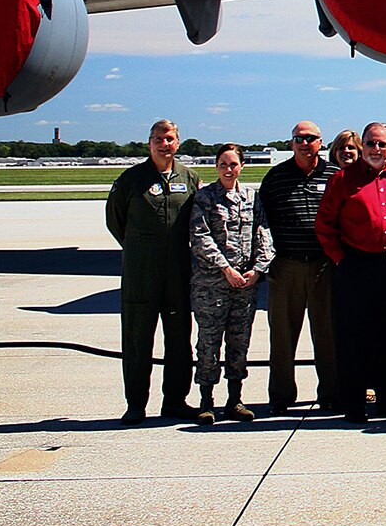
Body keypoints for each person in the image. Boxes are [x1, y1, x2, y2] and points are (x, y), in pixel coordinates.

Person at [316, 122, 386, 423]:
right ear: (363, 146)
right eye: (371, 144)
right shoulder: (343, 180)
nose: (376, 150)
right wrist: (341, 261)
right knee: (353, 337)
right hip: (356, 266)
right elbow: (324, 226)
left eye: (382, 145)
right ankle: (355, 404)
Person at [105, 119, 200, 424]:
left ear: (178, 142)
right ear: (149, 143)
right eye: (158, 138)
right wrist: (140, 247)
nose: (164, 143)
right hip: (141, 271)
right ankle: (136, 403)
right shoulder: (131, 179)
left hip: (177, 270)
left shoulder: (190, 178)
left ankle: (175, 400)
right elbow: (115, 220)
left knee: (179, 339)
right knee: (137, 339)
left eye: (169, 138)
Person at [258, 119, 340, 415]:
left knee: (327, 334)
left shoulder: (334, 175)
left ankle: (331, 394)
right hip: (286, 265)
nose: (304, 143)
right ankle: (281, 395)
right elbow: (261, 221)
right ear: (291, 143)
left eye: (310, 138)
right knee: (282, 334)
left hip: (324, 265)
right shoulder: (276, 177)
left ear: (321, 142)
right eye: (298, 139)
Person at [188, 143, 273, 425]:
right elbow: (200, 236)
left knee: (239, 343)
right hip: (212, 285)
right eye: (223, 164)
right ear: (216, 166)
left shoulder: (251, 197)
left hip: (245, 285)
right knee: (209, 343)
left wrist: (259, 270)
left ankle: (235, 399)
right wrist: (224, 268)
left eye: (233, 164)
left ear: (241, 166)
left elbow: (263, 233)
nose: (228, 169)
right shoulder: (205, 197)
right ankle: (206, 400)